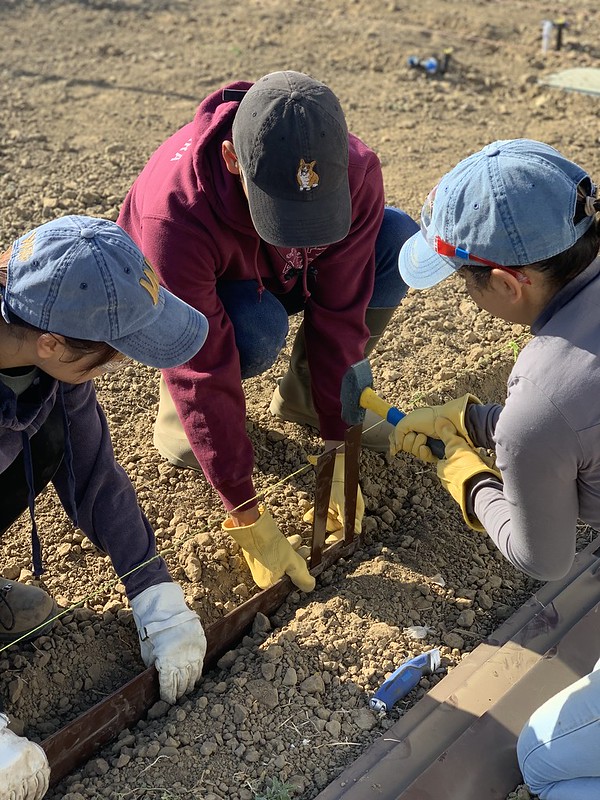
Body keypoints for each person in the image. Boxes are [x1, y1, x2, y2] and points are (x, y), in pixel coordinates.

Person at [118, 70, 418, 589]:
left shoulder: (357, 170)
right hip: (191, 294)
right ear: (234, 162)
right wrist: (244, 510)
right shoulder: (177, 214)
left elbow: (341, 315)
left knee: (395, 240)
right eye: (283, 215)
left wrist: (336, 440)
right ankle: (177, 426)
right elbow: (200, 364)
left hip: (279, 271)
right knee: (255, 331)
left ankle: (305, 398)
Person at [389, 138, 600, 799]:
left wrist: (468, 476)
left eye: (465, 283)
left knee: (543, 760)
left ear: (510, 282)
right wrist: (481, 420)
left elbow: (544, 558)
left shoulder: (542, 393)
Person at [0, 215, 210, 800]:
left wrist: (157, 598)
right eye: (110, 354)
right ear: (51, 342)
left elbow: (94, 474)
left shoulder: (48, 354)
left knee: (50, 439)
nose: (117, 365)